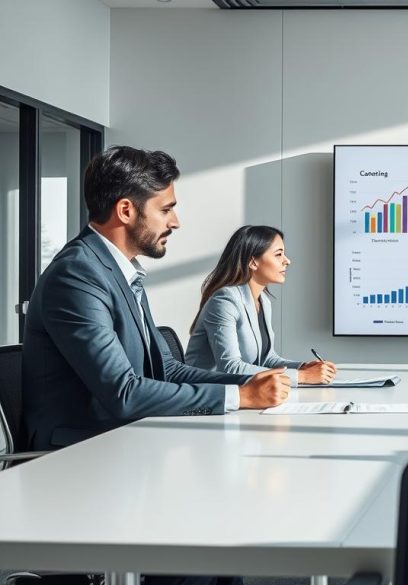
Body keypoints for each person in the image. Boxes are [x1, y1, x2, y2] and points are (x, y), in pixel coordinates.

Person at [23, 146, 291, 453]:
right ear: (126, 210)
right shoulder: (77, 275)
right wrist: (241, 397)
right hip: (77, 451)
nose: (175, 222)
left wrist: (247, 384)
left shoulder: (120, 271)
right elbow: (123, 393)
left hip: (128, 436)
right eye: (165, 210)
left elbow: (169, 370)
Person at [185, 225, 336, 385]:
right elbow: (229, 368)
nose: (287, 261)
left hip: (238, 392)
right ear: (253, 262)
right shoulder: (224, 301)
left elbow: (267, 359)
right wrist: (302, 377)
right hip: (204, 394)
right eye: (278, 255)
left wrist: (303, 367)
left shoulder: (263, 301)